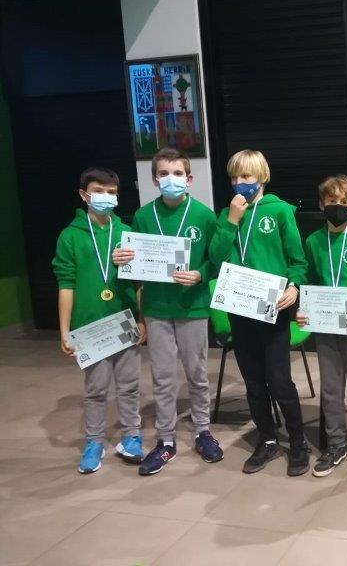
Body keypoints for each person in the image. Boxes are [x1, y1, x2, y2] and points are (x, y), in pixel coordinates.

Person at [112, 148, 223, 475]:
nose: (170, 179)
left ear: (189, 179)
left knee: (197, 373)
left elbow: (218, 258)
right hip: (157, 308)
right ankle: (165, 440)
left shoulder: (204, 215)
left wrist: (201, 273)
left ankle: (202, 431)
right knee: (162, 376)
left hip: (193, 307)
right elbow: (135, 263)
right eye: (164, 173)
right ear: (154, 179)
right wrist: (123, 259)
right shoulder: (143, 216)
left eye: (177, 173)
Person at [208, 149, 310, 476]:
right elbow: (215, 258)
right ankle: (266, 440)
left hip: (272, 308)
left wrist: (294, 286)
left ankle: (298, 442)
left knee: (279, 380)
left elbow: (297, 260)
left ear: (262, 177)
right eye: (234, 177)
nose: (239, 182)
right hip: (239, 308)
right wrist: (231, 221)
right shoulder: (227, 214)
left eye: (246, 176)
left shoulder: (279, 211)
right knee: (253, 381)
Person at [53, 167, 145, 473]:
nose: (106, 197)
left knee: (129, 385)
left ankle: (131, 436)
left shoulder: (126, 233)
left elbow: (139, 281)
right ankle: (94, 442)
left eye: (111, 192)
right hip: (89, 326)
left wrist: (142, 319)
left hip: (124, 320)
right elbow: (66, 284)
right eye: (99, 191)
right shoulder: (70, 236)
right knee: (95, 389)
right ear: (84, 195)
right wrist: (65, 330)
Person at [296, 175, 347, 482]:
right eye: (331, 201)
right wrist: (304, 309)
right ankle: (335, 446)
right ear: (322, 204)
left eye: (345, 202)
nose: (337, 206)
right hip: (325, 325)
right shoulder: (313, 241)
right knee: (330, 391)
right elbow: (309, 280)